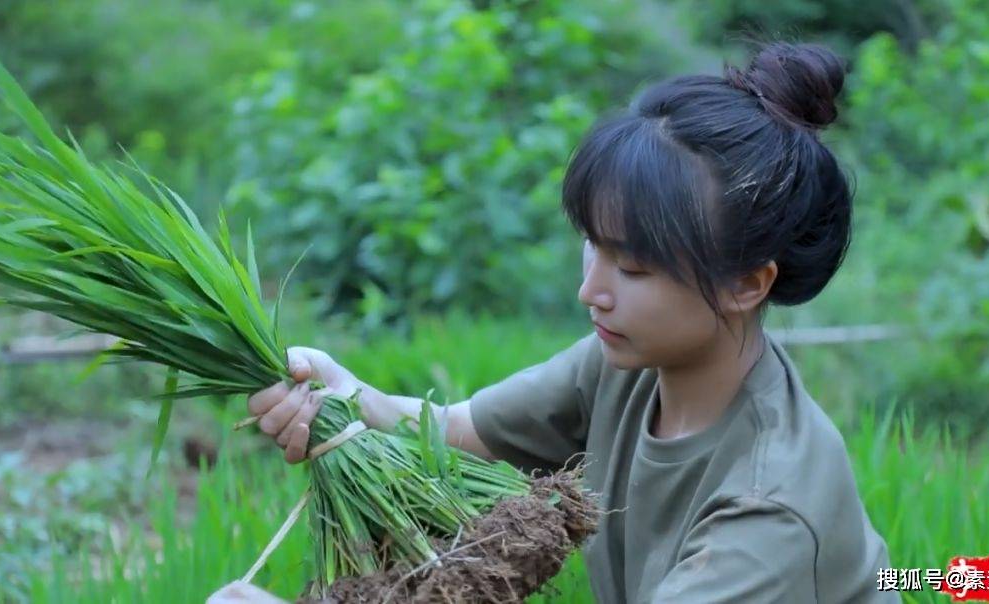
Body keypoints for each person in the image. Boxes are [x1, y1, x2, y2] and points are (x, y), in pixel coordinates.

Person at [222, 42, 897, 603]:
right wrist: (348, 400)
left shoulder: (766, 509)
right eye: (592, 245)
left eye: (631, 268)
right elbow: (459, 432)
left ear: (747, 284)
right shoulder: (621, 366)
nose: (590, 291)